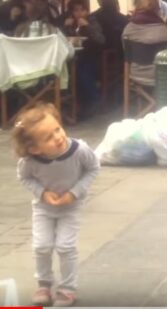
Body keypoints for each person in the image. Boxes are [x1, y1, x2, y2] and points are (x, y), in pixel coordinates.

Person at [14, 102, 100, 307]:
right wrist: (42, 193)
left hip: (71, 207)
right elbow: (24, 178)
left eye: (58, 129)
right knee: (42, 246)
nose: (58, 137)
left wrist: (74, 193)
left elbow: (93, 168)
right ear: (34, 149)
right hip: (44, 208)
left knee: (65, 246)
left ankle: (67, 288)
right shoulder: (29, 162)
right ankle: (44, 284)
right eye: (48, 137)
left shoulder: (79, 150)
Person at [122, 0, 167, 86]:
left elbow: (127, 55)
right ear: (157, 10)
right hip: (162, 75)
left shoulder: (128, 29)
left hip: (136, 74)